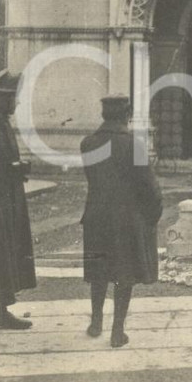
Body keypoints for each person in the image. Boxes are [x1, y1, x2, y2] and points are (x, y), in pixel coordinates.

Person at [80, 95, 163, 348]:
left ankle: (95, 323)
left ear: (104, 115)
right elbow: (149, 186)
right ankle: (118, 331)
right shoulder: (134, 145)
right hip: (127, 219)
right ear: (127, 115)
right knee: (124, 274)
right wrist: (153, 214)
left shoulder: (88, 143)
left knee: (99, 271)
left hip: (96, 216)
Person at [0, 69, 36, 330]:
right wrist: (12, 169)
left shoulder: (0, 120)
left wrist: (16, 166)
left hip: (8, 196)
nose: (15, 103)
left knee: (6, 255)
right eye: (12, 98)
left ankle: (0, 310)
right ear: (1, 97)